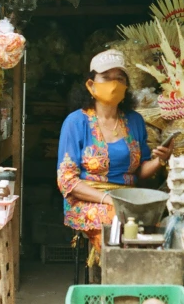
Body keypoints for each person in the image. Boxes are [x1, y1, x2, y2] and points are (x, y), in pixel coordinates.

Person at [56, 49, 173, 265]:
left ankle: (145, 280)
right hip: (90, 201)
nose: (113, 84)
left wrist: (160, 160)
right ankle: (117, 279)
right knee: (117, 224)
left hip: (129, 200)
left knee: (155, 226)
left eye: (119, 78)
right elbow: (67, 181)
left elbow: (141, 173)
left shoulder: (135, 120)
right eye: (106, 78)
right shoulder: (75, 122)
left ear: (126, 86)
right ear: (91, 85)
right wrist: (109, 200)